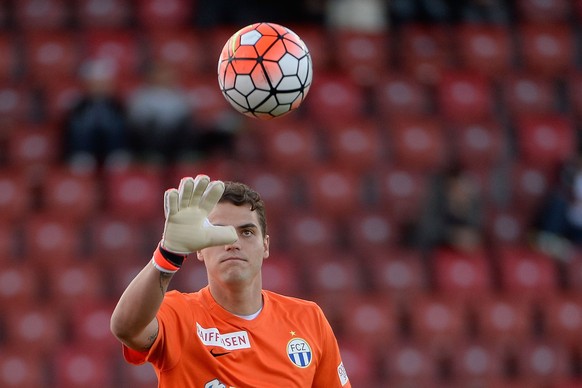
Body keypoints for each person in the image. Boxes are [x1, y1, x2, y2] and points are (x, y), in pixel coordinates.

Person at [110, 175, 351, 387]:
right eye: (218, 232)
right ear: (200, 249)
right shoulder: (178, 315)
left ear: (265, 245)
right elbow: (126, 328)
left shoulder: (308, 319)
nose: (232, 242)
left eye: (246, 232)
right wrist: (168, 254)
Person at [62, 59, 130, 169]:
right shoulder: (78, 105)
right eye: (95, 84)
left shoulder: (117, 105)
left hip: (112, 147)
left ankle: (117, 154)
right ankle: (81, 154)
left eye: (102, 84)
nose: (99, 87)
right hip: (85, 149)